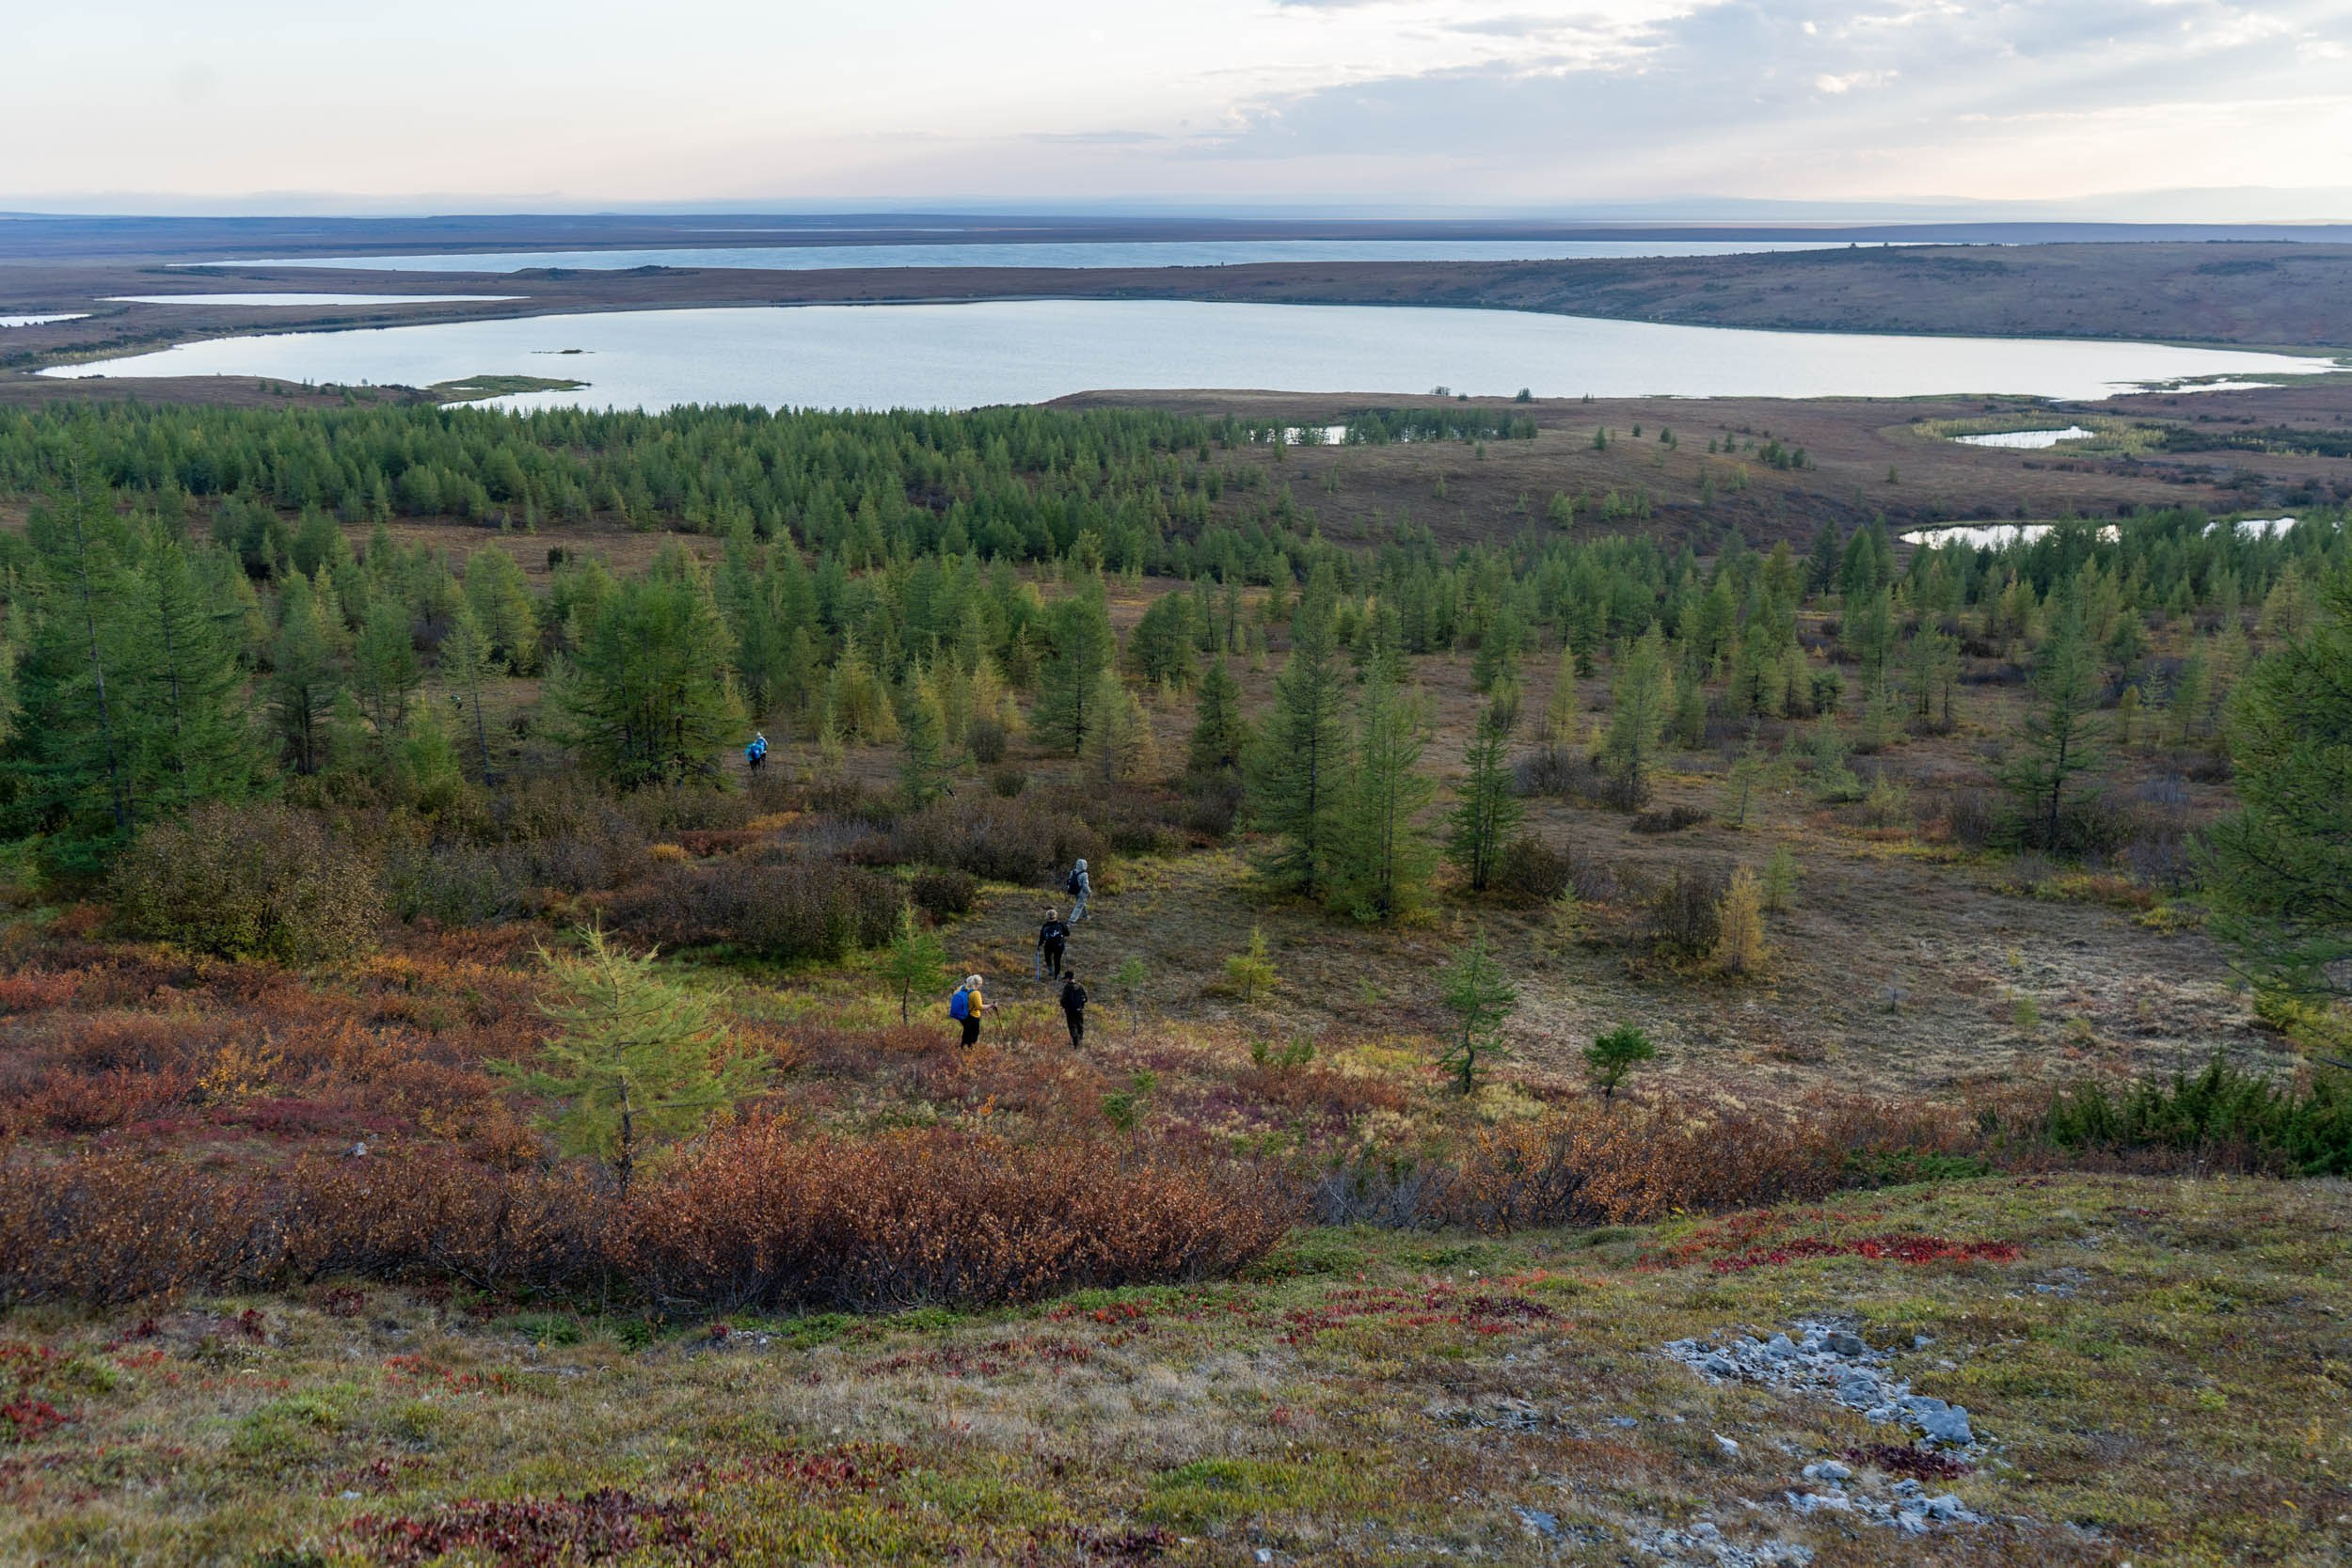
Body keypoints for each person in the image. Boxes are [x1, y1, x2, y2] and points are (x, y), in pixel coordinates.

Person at [949, 973, 984, 1048]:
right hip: (973, 1016)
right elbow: (979, 1007)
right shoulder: (975, 993)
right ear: (977, 984)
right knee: (974, 1033)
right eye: (980, 984)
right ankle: (970, 1049)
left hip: (962, 1015)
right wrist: (991, 1006)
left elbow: (955, 994)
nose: (981, 985)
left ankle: (963, 1047)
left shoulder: (961, 988)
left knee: (967, 1031)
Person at [1036, 909, 1069, 980]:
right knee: (1057, 960)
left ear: (1047, 917)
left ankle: (1050, 970)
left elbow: (1042, 937)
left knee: (1048, 957)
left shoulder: (1045, 926)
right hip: (1059, 945)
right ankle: (1057, 975)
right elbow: (1067, 933)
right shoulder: (1061, 924)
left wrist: (1039, 945)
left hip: (1049, 945)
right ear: (1056, 916)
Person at [1059, 972, 1088, 1050]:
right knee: (1080, 1025)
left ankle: (1076, 1044)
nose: (1065, 980)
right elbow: (1086, 998)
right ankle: (1080, 1040)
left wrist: (1064, 1006)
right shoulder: (1080, 986)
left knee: (1072, 1026)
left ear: (1068, 979)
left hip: (1070, 1011)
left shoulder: (1067, 987)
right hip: (1079, 1010)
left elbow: (1063, 1000)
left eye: (1065, 979)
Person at [1064, 857, 1092, 923]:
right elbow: (1085, 886)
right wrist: (1089, 892)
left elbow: (1069, 881)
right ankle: (1071, 920)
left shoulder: (1072, 872)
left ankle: (1085, 916)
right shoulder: (1084, 874)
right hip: (1082, 892)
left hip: (1075, 891)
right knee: (1079, 906)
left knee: (1081, 903)